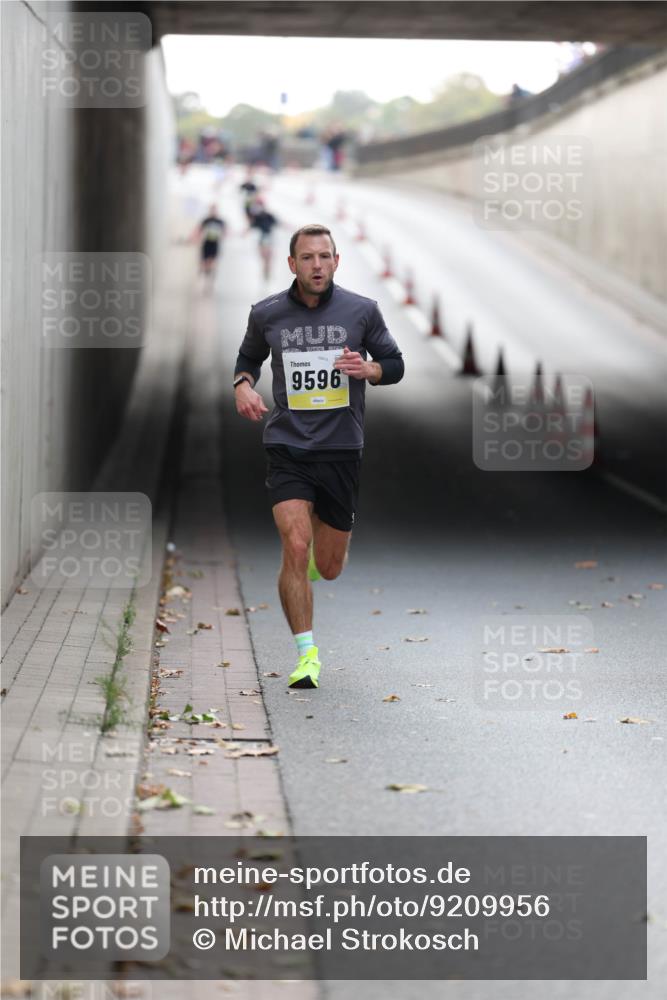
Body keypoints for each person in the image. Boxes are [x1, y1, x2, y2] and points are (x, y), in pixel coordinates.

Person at [233, 224, 405, 689]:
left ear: (336, 261)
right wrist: (243, 387)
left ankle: (310, 563)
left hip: (341, 449)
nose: (316, 265)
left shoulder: (362, 311)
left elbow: (395, 364)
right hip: (288, 446)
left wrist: (369, 368)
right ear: (292, 264)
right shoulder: (266, 313)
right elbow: (247, 359)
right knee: (295, 544)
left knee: (328, 567)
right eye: (307, 258)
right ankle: (307, 656)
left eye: (324, 257)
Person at [247, 197, 279, 281]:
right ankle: (265, 271)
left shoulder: (269, 215)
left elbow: (278, 223)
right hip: (262, 238)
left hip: (268, 237)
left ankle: (267, 271)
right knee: (264, 257)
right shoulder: (257, 217)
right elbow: (251, 226)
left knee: (268, 257)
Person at [193, 204, 226, 282]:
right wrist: (195, 238)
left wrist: (223, 236)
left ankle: (210, 277)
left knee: (212, 262)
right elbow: (198, 230)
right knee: (204, 262)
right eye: (212, 210)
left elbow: (225, 232)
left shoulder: (220, 221)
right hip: (207, 243)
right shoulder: (206, 220)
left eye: (215, 210)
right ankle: (203, 273)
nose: (213, 212)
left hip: (215, 244)